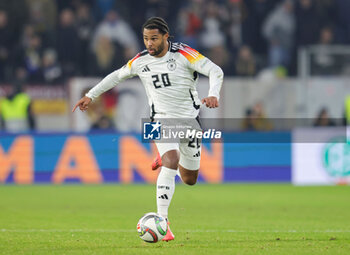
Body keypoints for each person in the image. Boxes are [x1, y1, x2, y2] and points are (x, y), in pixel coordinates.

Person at [72, 17, 224, 241]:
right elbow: (116, 76)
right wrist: (90, 95)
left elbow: (215, 70)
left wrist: (213, 94)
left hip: (189, 123)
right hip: (159, 120)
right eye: (145, 39)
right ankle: (163, 222)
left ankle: (163, 159)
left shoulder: (184, 54)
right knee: (172, 158)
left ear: (166, 36)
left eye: (153, 38)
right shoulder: (140, 61)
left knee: (189, 179)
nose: (149, 43)